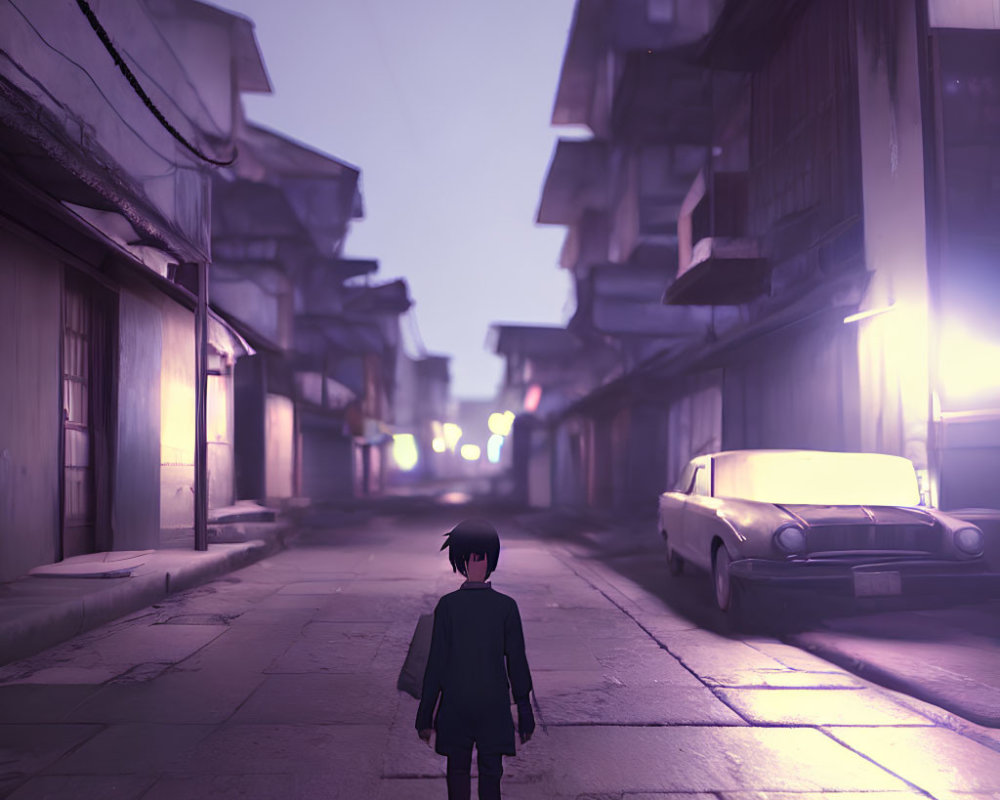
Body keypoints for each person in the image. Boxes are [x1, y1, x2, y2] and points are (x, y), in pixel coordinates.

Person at [416, 518, 535, 800]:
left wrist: (425, 715)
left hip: (456, 703)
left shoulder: (448, 607)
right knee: (490, 772)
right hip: (493, 703)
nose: (477, 563)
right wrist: (524, 710)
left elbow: (436, 665)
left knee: (458, 771)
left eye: (480, 557)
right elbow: (516, 663)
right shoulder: (505, 607)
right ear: (463, 562)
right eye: (473, 557)